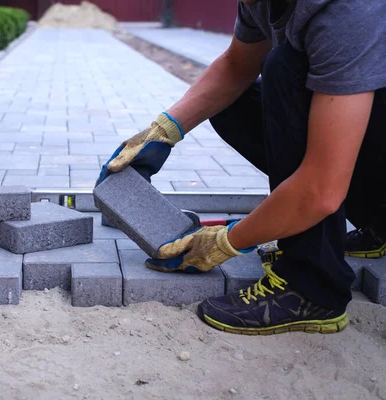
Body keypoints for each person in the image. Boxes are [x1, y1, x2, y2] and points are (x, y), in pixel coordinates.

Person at [96, 0, 386, 335]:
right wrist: (162, 132)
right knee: (235, 102)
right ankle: (378, 222)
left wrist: (224, 241)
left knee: (286, 67)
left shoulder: (347, 11)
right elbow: (236, 66)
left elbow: (322, 190)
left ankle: (313, 288)